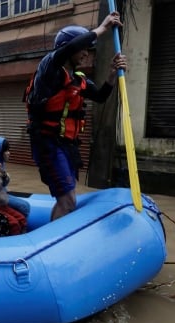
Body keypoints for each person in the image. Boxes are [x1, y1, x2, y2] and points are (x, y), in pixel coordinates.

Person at [25, 12, 128, 221]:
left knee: (69, 197)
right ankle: (52, 244)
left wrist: (111, 73)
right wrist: (102, 28)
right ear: (68, 48)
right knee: (67, 200)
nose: (86, 53)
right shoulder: (50, 67)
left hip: (68, 145)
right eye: (83, 49)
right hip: (48, 142)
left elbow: (100, 96)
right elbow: (70, 48)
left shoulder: (78, 79)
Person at [0, 136, 31, 217]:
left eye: (8, 150)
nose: (8, 153)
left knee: (25, 205)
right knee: (24, 206)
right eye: (5, 150)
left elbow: (4, 183)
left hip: (1, 193)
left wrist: (3, 174)